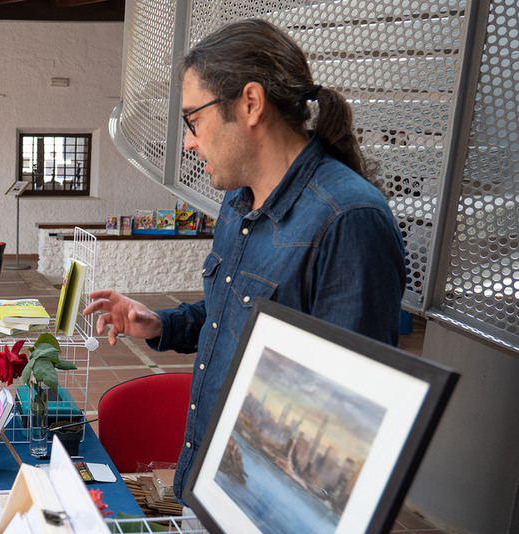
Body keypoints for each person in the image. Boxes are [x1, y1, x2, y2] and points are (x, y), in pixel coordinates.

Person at [84, 19, 406, 504]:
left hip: (271, 510)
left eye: (194, 120)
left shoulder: (348, 219)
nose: (189, 142)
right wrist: (158, 324)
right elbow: (232, 315)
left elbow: (352, 417)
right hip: (209, 480)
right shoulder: (239, 205)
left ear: (251, 104)